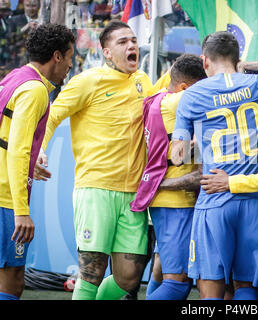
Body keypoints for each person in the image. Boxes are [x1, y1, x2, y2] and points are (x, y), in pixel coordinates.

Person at [33, 20, 171, 300]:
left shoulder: (143, 81)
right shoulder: (87, 81)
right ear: (106, 53)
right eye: (122, 42)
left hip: (134, 193)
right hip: (96, 189)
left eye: (133, 40)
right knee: (91, 272)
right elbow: (51, 116)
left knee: (129, 276)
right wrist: (38, 150)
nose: (131, 45)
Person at [171, 31, 258, 300]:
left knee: (212, 290)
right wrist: (249, 68)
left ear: (204, 61)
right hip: (257, 203)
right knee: (246, 288)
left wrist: (198, 140)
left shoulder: (191, 96)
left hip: (216, 198)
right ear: (238, 58)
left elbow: (178, 156)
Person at [0, 23, 75, 300]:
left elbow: (6, 139)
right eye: (69, 56)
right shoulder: (35, 90)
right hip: (6, 199)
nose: (70, 64)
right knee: (12, 283)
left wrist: (31, 166)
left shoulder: (15, 77)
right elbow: (18, 149)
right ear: (57, 56)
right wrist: (21, 211)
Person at [130, 53, 207, 300]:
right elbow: (216, 91)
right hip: (176, 202)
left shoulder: (158, 99)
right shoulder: (176, 102)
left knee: (161, 271)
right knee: (177, 283)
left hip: (167, 199)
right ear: (185, 88)